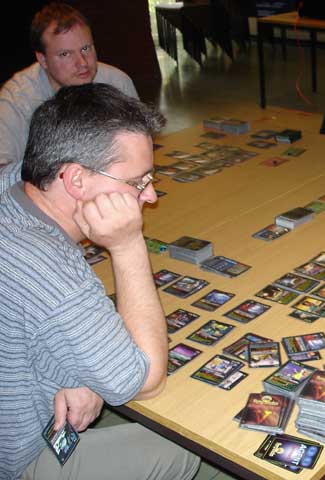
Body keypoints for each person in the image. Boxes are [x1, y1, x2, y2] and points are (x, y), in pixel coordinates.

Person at [0, 83, 200, 480]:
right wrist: (128, 245)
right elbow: (144, 380)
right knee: (183, 450)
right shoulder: (50, 271)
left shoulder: (13, 182)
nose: (151, 196)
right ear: (75, 179)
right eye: (138, 181)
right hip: (14, 458)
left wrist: (74, 373)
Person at [0, 2, 138, 171]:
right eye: (65, 54)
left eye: (86, 48)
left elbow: (138, 150)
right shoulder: (16, 101)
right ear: (43, 60)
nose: (82, 63)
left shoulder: (117, 83)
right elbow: (2, 175)